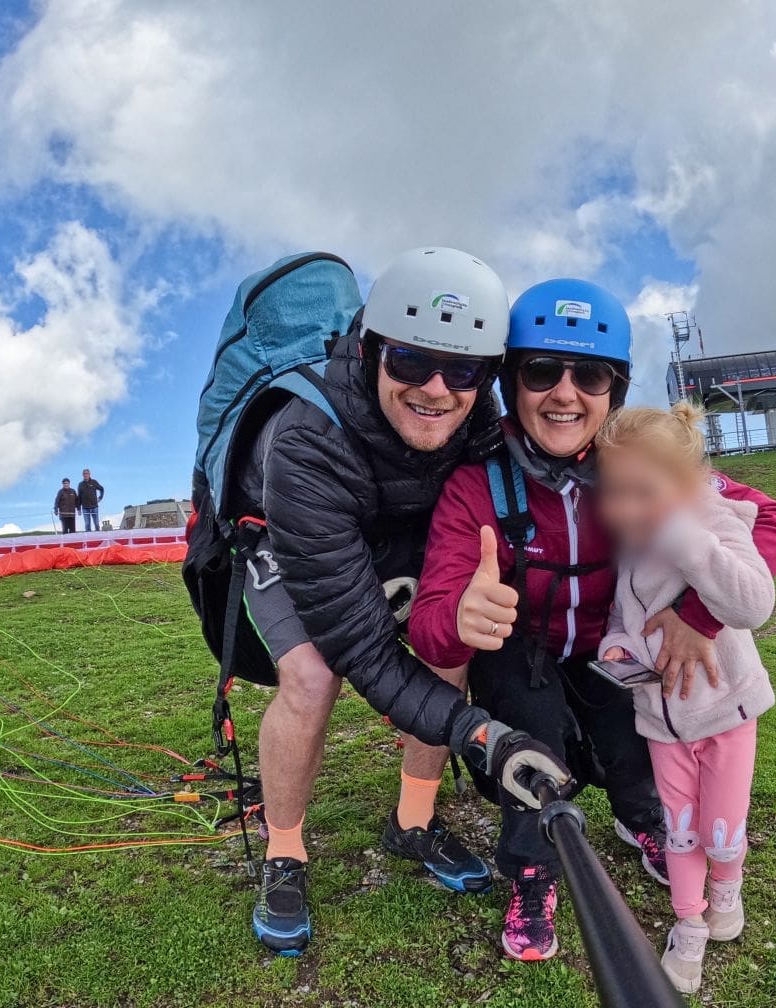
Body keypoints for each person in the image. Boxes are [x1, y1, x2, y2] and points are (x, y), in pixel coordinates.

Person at [409, 279, 776, 961]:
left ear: (614, 389)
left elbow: (771, 520)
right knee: (528, 717)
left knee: (640, 708)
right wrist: (461, 618)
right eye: (541, 371)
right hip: (521, 656)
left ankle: (641, 815)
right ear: (511, 382)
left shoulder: (637, 463)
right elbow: (431, 622)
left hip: (610, 653)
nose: (565, 393)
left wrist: (696, 614)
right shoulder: (478, 485)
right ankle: (533, 869)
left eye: (588, 374)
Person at [226, 246, 570, 958]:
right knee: (314, 675)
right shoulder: (305, 439)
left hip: (390, 526)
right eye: (411, 362)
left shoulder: (476, 420)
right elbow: (364, 653)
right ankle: (283, 852)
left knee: (448, 638)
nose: (437, 389)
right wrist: (484, 735)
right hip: (288, 532)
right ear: (372, 348)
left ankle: (413, 822)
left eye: (464, 371)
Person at [596, 404, 776, 993]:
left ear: (685, 481)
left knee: (722, 828)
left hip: (726, 717)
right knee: (680, 830)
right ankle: (689, 924)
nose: (623, 509)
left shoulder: (715, 521)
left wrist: (684, 538)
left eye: (641, 492)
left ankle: (727, 893)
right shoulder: (629, 548)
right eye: (613, 492)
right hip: (659, 721)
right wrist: (619, 649)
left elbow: (752, 603)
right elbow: (623, 619)